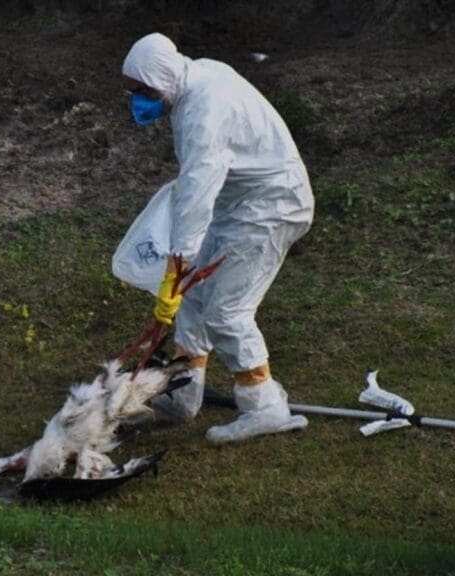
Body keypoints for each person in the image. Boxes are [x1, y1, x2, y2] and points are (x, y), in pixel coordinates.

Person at [122, 33, 315, 443]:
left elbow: (196, 190)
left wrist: (175, 267)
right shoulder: (196, 76)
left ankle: (264, 407)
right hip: (240, 207)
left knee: (227, 311)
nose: (139, 100)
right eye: (134, 92)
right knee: (194, 296)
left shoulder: (203, 110)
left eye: (143, 91)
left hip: (273, 208)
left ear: (161, 78)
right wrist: (181, 280)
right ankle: (182, 393)